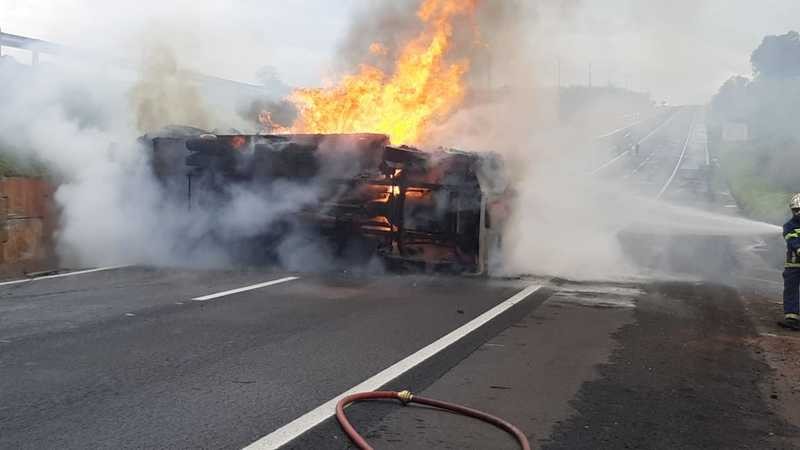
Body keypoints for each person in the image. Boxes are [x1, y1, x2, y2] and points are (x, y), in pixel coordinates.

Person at [780, 193, 800, 330]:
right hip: (794, 265)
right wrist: (798, 248)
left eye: (799, 210)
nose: (797, 213)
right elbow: (791, 239)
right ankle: (792, 318)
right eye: (795, 210)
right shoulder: (789, 225)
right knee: (791, 290)